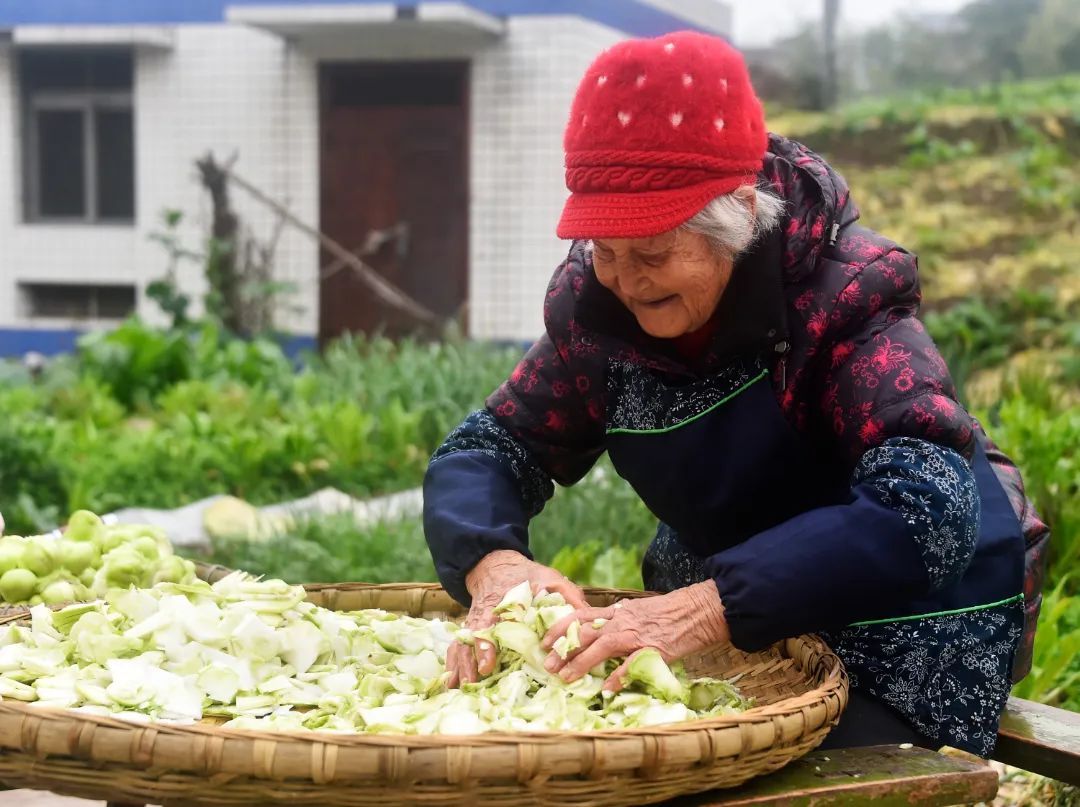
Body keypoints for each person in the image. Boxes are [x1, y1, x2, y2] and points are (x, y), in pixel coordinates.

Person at [422, 31, 1049, 756]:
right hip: (739, 604)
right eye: (605, 250)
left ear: (741, 214)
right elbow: (489, 446)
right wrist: (493, 561)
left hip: (909, 616)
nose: (626, 281)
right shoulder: (595, 310)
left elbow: (927, 505)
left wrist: (704, 608)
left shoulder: (843, 293)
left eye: (653, 252)